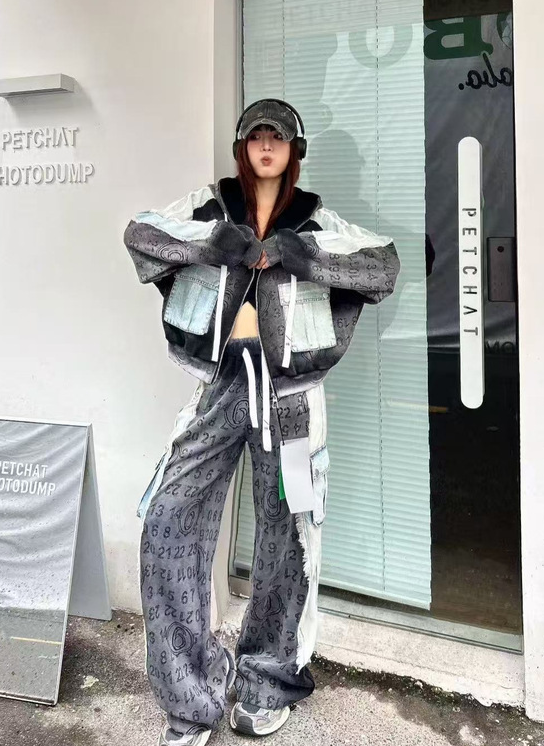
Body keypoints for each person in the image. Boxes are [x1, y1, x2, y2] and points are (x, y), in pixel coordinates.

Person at [123, 98, 400, 745]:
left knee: (288, 537)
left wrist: (301, 256)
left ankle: (267, 681)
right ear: (242, 147)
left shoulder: (316, 220)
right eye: (256, 136)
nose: (266, 145)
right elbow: (141, 235)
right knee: (168, 519)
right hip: (219, 386)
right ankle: (190, 696)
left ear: (295, 149)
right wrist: (211, 244)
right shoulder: (210, 206)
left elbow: (381, 265)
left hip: (291, 397)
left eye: (278, 136)